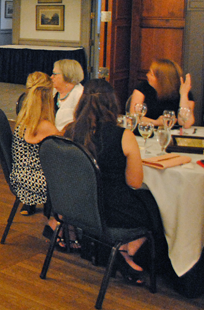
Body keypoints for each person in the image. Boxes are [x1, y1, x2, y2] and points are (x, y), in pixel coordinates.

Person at [64, 79, 165, 285]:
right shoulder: (123, 136)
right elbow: (135, 182)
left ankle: (123, 253)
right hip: (111, 211)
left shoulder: (69, 131)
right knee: (157, 208)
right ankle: (126, 248)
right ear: (112, 103)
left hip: (78, 206)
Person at [9, 85, 59, 218]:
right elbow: (61, 140)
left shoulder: (25, 121)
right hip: (33, 178)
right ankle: (57, 224)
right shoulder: (43, 125)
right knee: (71, 181)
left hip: (20, 173)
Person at [129, 59, 195, 128]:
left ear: (162, 78)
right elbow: (133, 117)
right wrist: (156, 122)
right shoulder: (142, 88)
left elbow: (186, 123)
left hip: (174, 134)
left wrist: (184, 95)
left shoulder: (183, 91)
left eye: (151, 74)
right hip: (148, 132)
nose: (147, 75)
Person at [51, 58, 85, 132]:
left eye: (54, 74)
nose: (51, 77)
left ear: (67, 75)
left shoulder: (80, 95)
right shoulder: (53, 92)